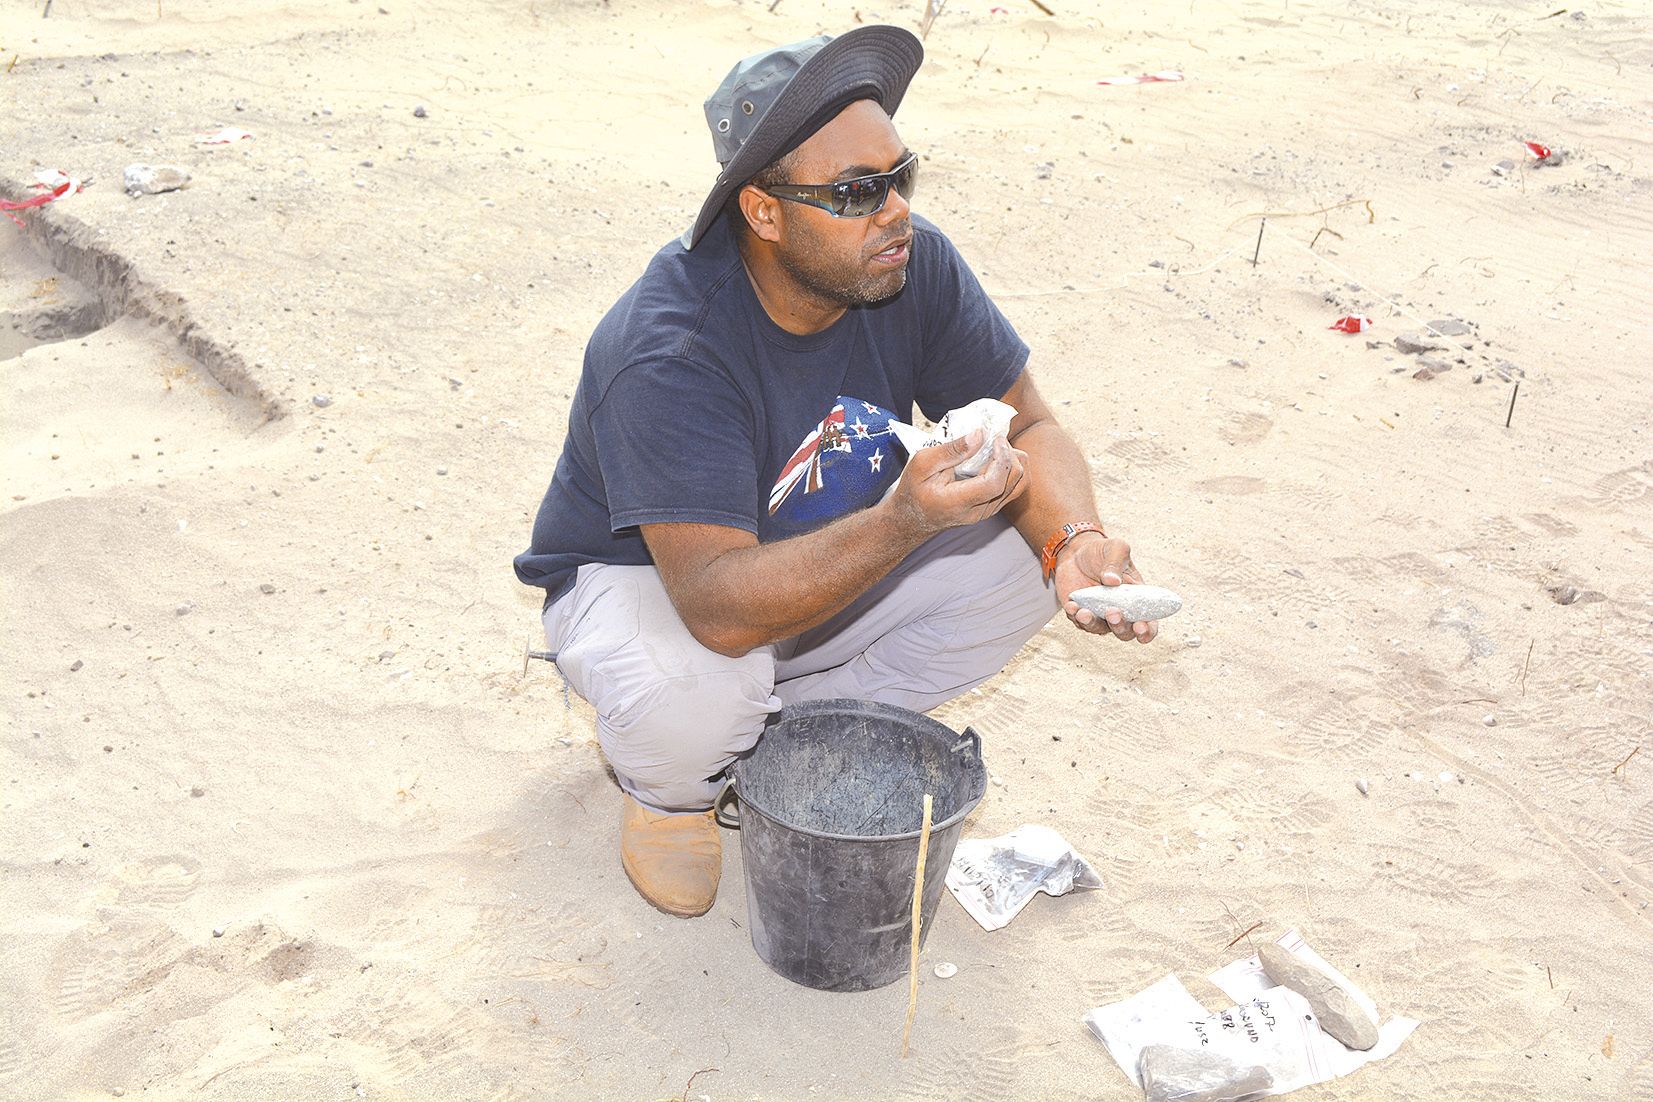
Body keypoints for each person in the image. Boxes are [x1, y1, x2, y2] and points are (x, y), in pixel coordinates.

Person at [514, 25, 1159, 919]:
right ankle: (671, 798)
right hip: (654, 585)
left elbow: (1033, 423)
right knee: (699, 683)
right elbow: (715, 605)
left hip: (816, 560)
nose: (893, 210)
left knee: (1027, 552)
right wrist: (905, 521)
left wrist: (1074, 540)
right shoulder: (671, 350)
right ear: (763, 212)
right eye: (856, 192)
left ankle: (781, 742)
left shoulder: (908, 261)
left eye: (900, 177)